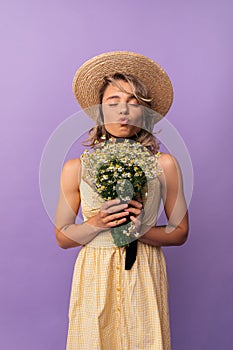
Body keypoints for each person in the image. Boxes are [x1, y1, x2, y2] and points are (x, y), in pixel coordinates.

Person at [54, 51, 189, 350]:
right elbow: (63, 236)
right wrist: (96, 223)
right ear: (100, 111)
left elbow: (180, 232)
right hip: (94, 277)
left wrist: (140, 231)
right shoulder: (76, 168)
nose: (123, 111)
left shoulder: (164, 165)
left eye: (133, 103)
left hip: (144, 274)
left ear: (145, 113)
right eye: (113, 102)